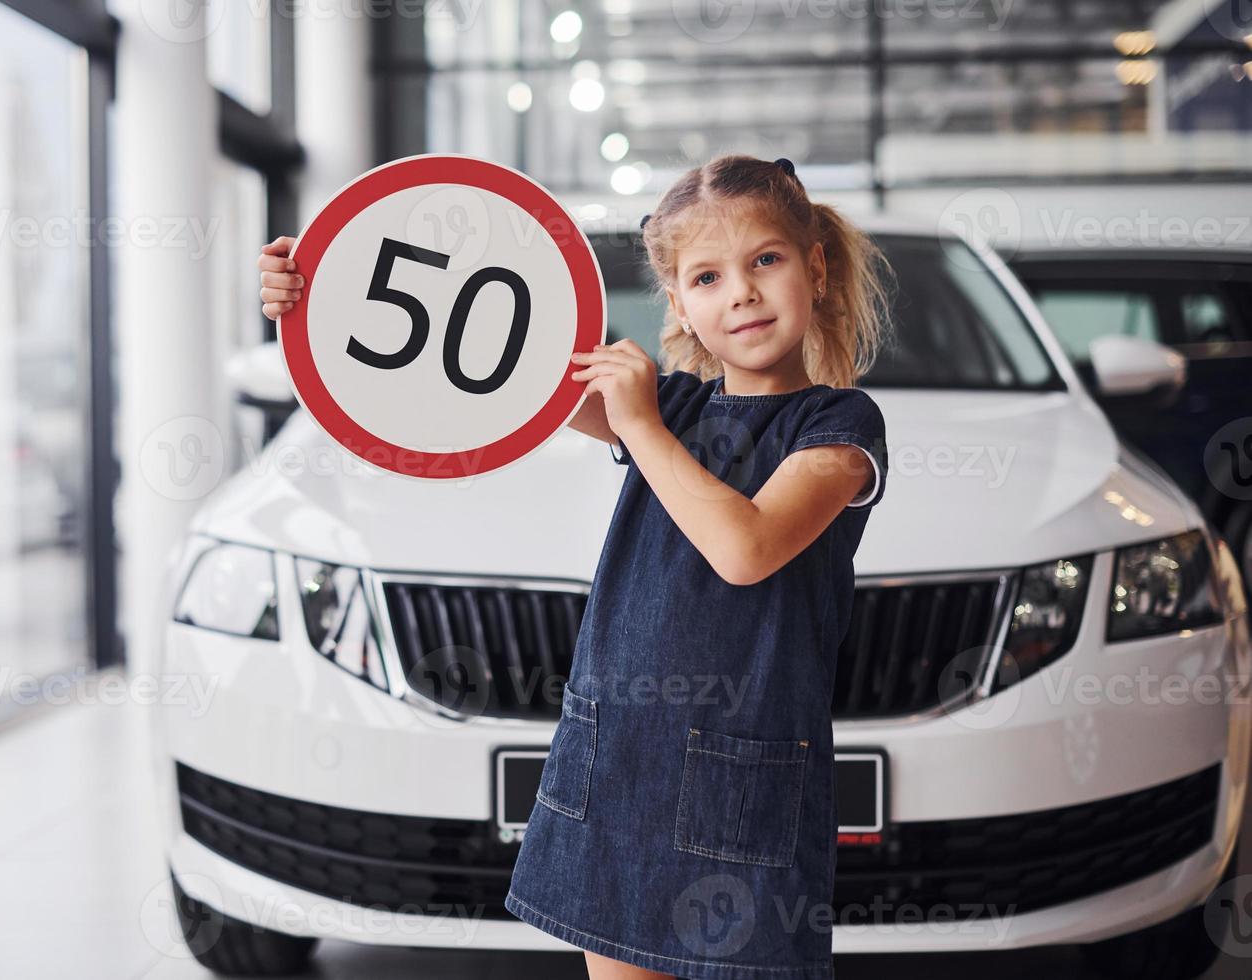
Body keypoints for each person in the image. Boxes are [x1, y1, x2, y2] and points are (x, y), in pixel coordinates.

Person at [256, 151, 893, 980]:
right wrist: (315, 296)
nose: (740, 292)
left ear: (814, 265)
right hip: (620, 762)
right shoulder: (672, 407)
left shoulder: (841, 423)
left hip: (743, 783)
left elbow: (746, 549)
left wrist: (644, 427)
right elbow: (488, 357)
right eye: (707, 277)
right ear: (679, 304)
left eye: (764, 260)